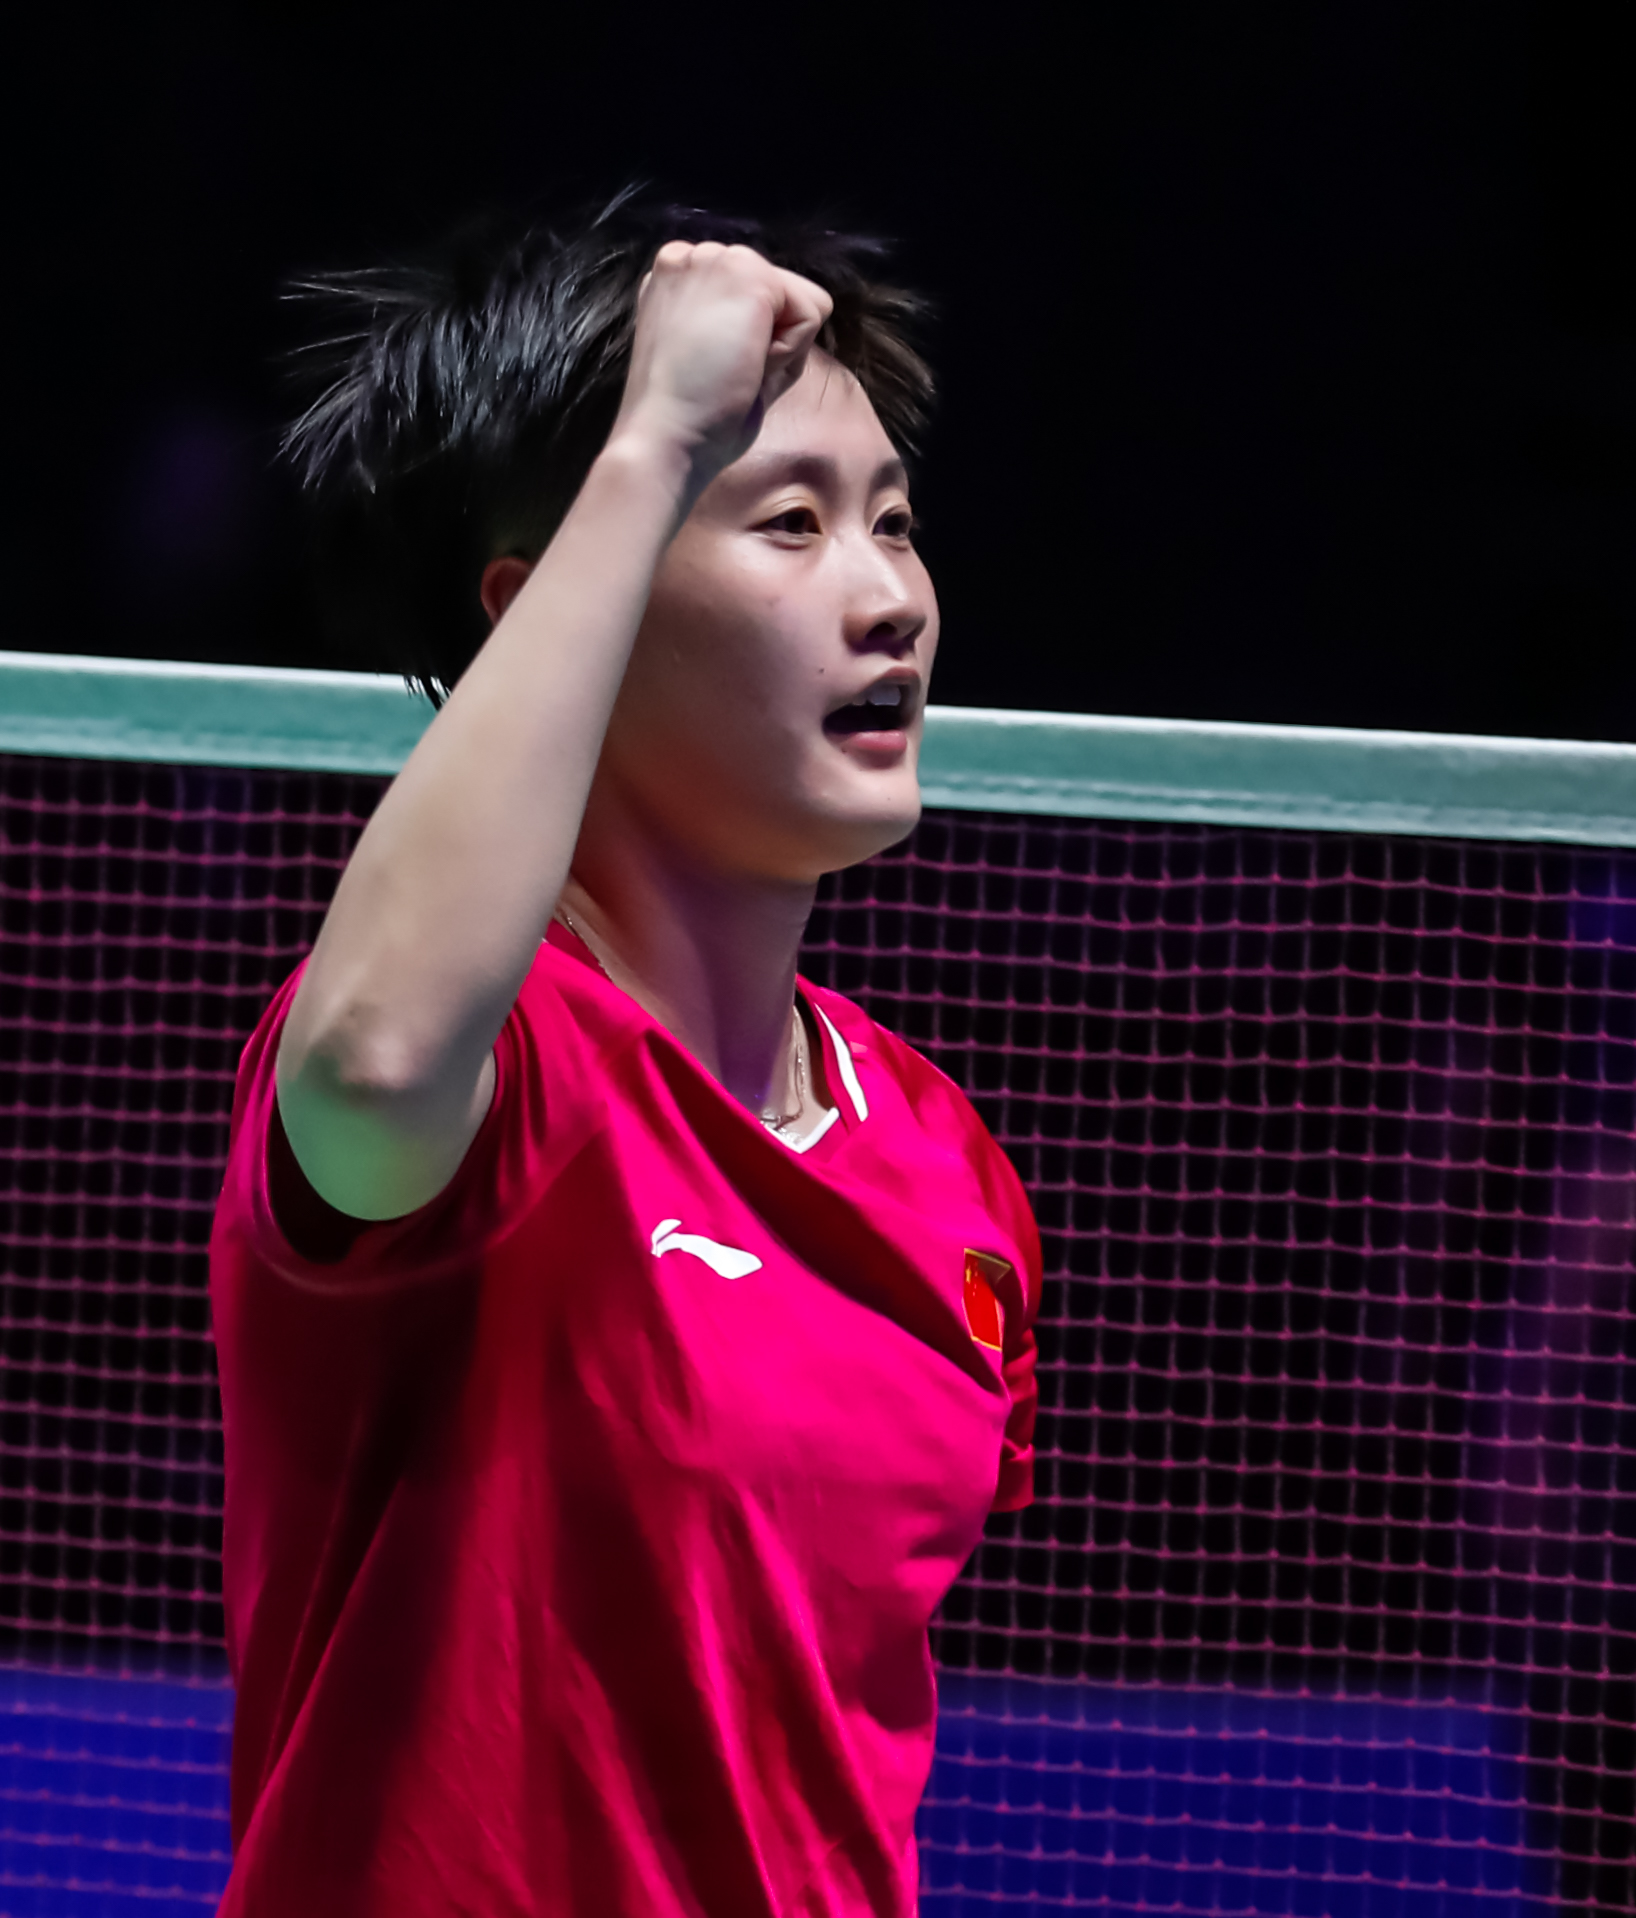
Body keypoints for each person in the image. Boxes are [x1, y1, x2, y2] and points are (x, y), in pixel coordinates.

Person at [206, 195, 1041, 1916]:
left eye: (894, 521)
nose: (889, 597)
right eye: (790, 524)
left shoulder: (938, 1159)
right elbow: (377, 1057)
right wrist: (656, 429)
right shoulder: (493, 1079)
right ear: (555, 608)